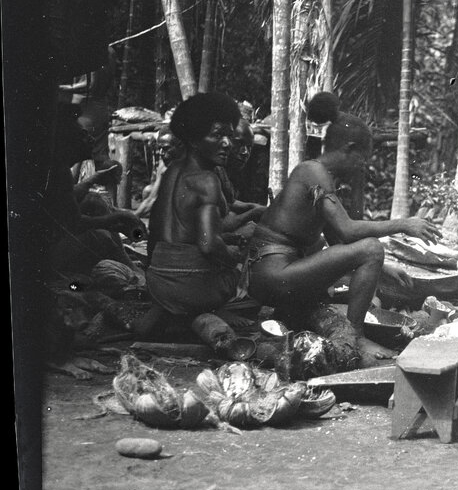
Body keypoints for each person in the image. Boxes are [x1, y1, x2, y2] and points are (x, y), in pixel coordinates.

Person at [247, 91, 440, 365]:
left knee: (368, 257)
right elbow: (349, 231)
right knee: (372, 248)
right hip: (272, 275)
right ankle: (355, 335)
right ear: (348, 148)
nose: (360, 168)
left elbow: (338, 240)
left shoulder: (321, 178)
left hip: (275, 274)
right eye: (360, 160)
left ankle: (299, 318)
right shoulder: (312, 172)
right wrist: (404, 224)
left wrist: (385, 269)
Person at [133, 92, 244, 339]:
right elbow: (209, 244)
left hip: (158, 282)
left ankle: (170, 311)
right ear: (194, 140)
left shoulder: (171, 170)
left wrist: (157, 274)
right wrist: (235, 259)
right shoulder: (207, 180)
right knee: (246, 260)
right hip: (190, 286)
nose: (227, 143)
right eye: (217, 135)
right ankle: (205, 310)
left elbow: (156, 232)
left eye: (229, 135)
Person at [44, 104, 148, 280]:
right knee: (100, 236)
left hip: (53, 242)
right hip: (46, 257)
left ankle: (126, 262)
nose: (91, 139)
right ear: (67, 139)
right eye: (83, 135)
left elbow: (66, 200)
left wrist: (92, 180)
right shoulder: (57, 171)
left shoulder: (59, 167)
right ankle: (130, 269)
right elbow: (75, 223)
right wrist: (114, 219)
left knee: (94, 200)